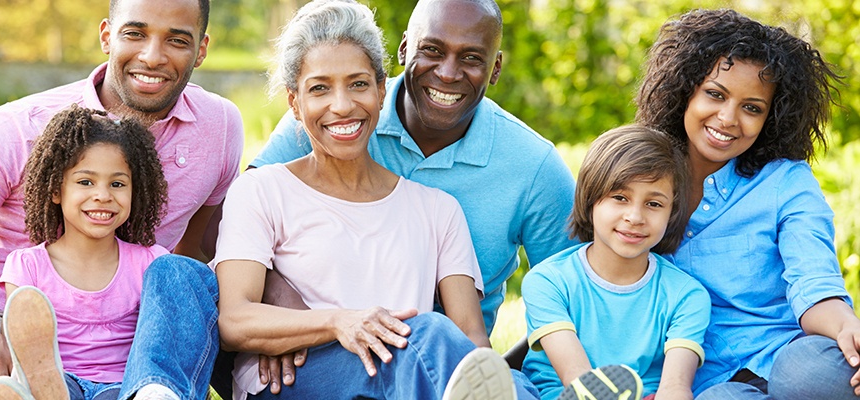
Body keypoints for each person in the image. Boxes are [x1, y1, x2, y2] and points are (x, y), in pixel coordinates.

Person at [0, 0, 243, 398]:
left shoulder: (219, 126)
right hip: (0, 321)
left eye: (176, 40)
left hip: (124, 339)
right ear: (107, 35)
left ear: (202, 49)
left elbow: (204, 254)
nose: (152, 56)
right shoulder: (20, 127)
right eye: (135, 34)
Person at [209, 1, 538, 399]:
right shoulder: (261, 190)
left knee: (479, 365)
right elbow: (235, 320)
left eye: (358, 84)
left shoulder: (438, 209)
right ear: (294, 103)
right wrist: (337, 323)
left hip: (409, 377)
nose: (343, 105)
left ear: (382, 90)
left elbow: (471, 338)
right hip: (297, 379)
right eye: (319, 89)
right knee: (428, 332)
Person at [249, 0, 577, 337]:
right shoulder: (340, 114)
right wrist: (284, 309)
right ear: (405, 49)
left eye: (471, 58)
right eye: (432, 50)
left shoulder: (534, 167)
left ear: (495, 69)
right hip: (323, 342)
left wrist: (505, 372)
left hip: (447, 361)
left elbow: (581, 297)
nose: (448, 73)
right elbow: (233, 224)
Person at [636, 8, 860, 399]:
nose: (727, 118)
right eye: (715, 94)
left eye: (752, 107)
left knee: (816, 371)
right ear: (684, 90)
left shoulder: (785, 183)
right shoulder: (637, 179)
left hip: (781, 359)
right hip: (694, 377)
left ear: (772, 118)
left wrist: (847, 328)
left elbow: (813, 282)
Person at [0, 105, 171, 400]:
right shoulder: (27, 266)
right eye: (86, 182)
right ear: (56, 191)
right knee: (54, 384)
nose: (103, 195)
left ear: (136, 192)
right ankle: (38, 389)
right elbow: (19, 341)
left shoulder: (152, 263)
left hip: (122, 387)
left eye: (118, 184)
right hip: (60, 380)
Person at [521, 125, 710, 400]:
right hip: (561, 395)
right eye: (620, 198)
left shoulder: (687, 297)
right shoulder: (548, 282)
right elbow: (579, 380)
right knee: (514, 386)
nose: (635, 216)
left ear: (672, 213)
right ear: (590, 200)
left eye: (654, 204)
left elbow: (675, 388)